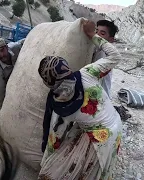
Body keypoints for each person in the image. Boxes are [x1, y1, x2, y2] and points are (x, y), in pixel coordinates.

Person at [37, 19, 122, 179]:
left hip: (101, 139)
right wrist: (92, 35)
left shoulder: (62, 109)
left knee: (73, 168)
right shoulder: (87, 72)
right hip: (116, 129)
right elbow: (115, 56)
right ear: (67, 67)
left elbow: (53, 141)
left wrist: (45, 163)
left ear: (49, 84)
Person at [0, 37, 25, 128]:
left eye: (2, 50)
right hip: (7, 82)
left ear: (7, 47)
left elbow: (27, 40)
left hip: (19, 74)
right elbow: (0, 93)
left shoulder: (15, 47)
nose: (1, 55)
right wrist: (0, 111)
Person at [92, 20, 119, 99]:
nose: (97, 35)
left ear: (111, 39)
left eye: (102, 33)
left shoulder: (104, 54)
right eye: (96, 31)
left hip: (99, 99)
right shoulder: (97, 50)